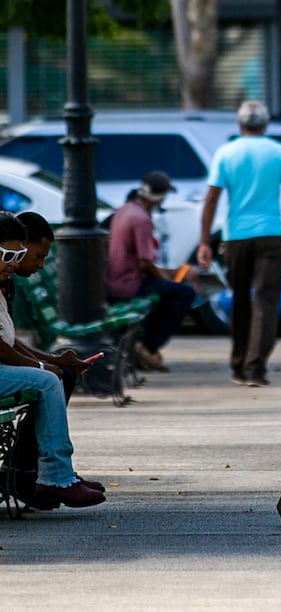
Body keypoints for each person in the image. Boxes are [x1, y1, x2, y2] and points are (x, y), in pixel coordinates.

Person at [196, 101, 281, 387]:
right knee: (266, 301)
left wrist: (203, 241)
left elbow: (211, 198)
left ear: (239, 124)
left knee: (241, 300)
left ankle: (238, 365)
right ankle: (256, 368)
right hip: (270, 235)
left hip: (236, 238)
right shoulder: (280, 152)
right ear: (265, 124)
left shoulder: (226, 152)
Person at [0, 211, 105, 508]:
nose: (12, 262)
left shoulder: (3, 282)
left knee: (54, 376)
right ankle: (55, 477)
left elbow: (7, 340)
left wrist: (52, 360)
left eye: (16, 254)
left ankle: (39, 474)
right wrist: (46, 366)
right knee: (48, 381)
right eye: (7, 254)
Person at [107, 171, 198, 372]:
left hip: (117, 280)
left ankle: (144, 343)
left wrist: (170, 275)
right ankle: (148, 345)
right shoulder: (141, 219)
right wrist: (168, 278)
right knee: (185, 293)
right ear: (158, 197)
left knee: (171, 289)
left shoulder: (125, 210)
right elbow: (145, 264)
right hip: (128, 284)